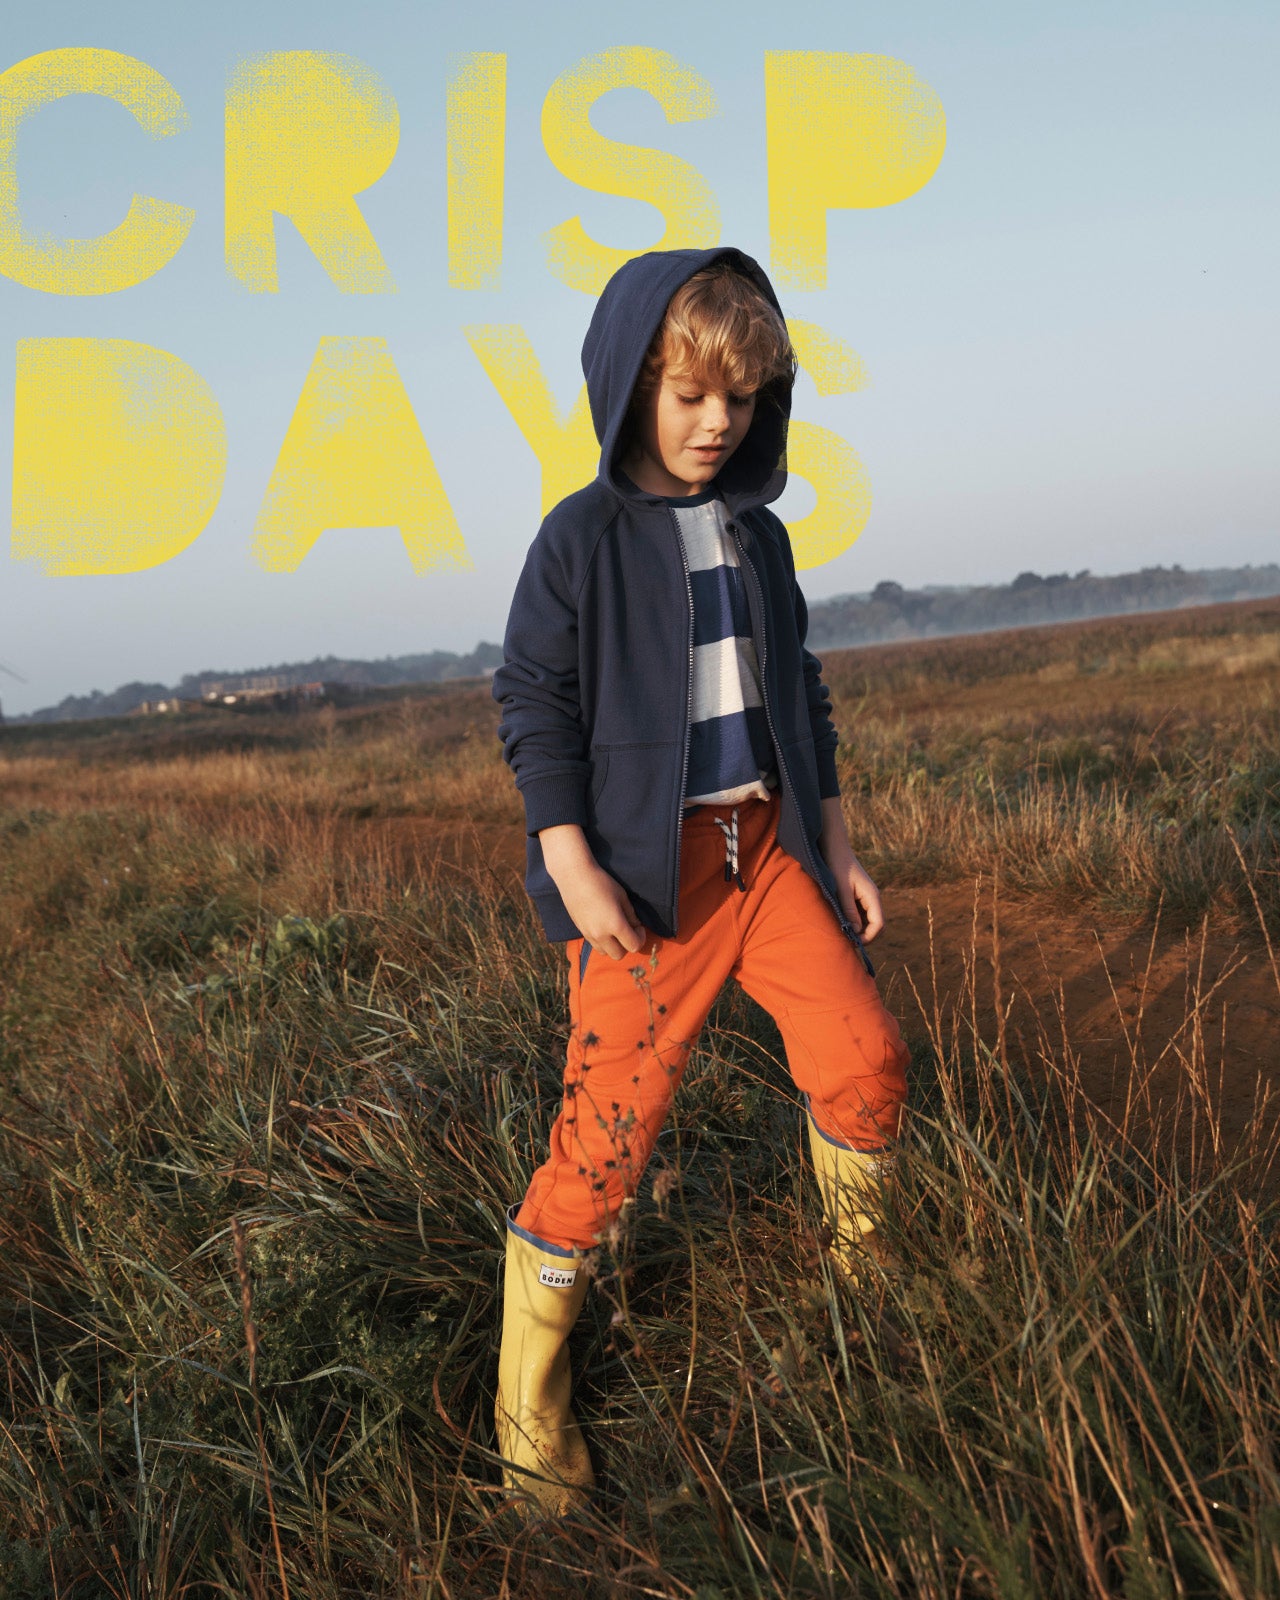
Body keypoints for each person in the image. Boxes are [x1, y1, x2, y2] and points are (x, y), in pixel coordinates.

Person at [490, 246, 911, 1517]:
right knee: (606, 1150)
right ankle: (528, 1422)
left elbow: (803, 698)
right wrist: (572, 866)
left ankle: (864, 1307)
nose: (713, 422)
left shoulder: (759, 537)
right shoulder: (576, 542)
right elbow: (530, 701)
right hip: (639, 878)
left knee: (865, 1055)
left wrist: (833, 844)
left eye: (737, 398)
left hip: (767, 852)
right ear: (630, 381)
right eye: (687, 395)